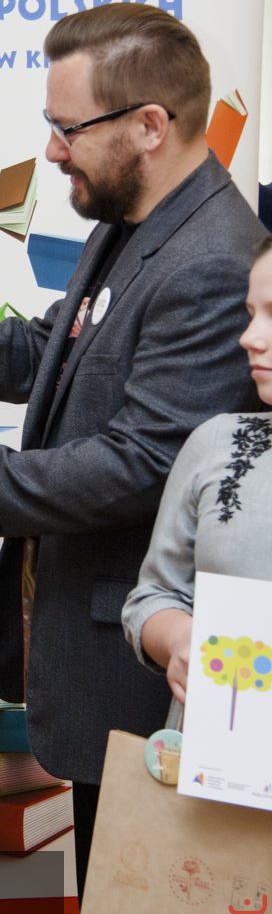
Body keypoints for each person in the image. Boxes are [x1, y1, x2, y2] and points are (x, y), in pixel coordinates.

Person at [0, 3, 267, 894]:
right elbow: (53, 353)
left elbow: (140, 465)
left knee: (146, 899)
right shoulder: (134, 222)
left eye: (67, 127)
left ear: (150, 125)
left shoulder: (212, 260)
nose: (50, 151)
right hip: (97, 659)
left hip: (144, 678)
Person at [122, 234, 272, 703]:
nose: (250, 337)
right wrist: (181, 639)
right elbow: (152, 596)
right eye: (251, 313)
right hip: (222, 733)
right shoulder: (217, 443)